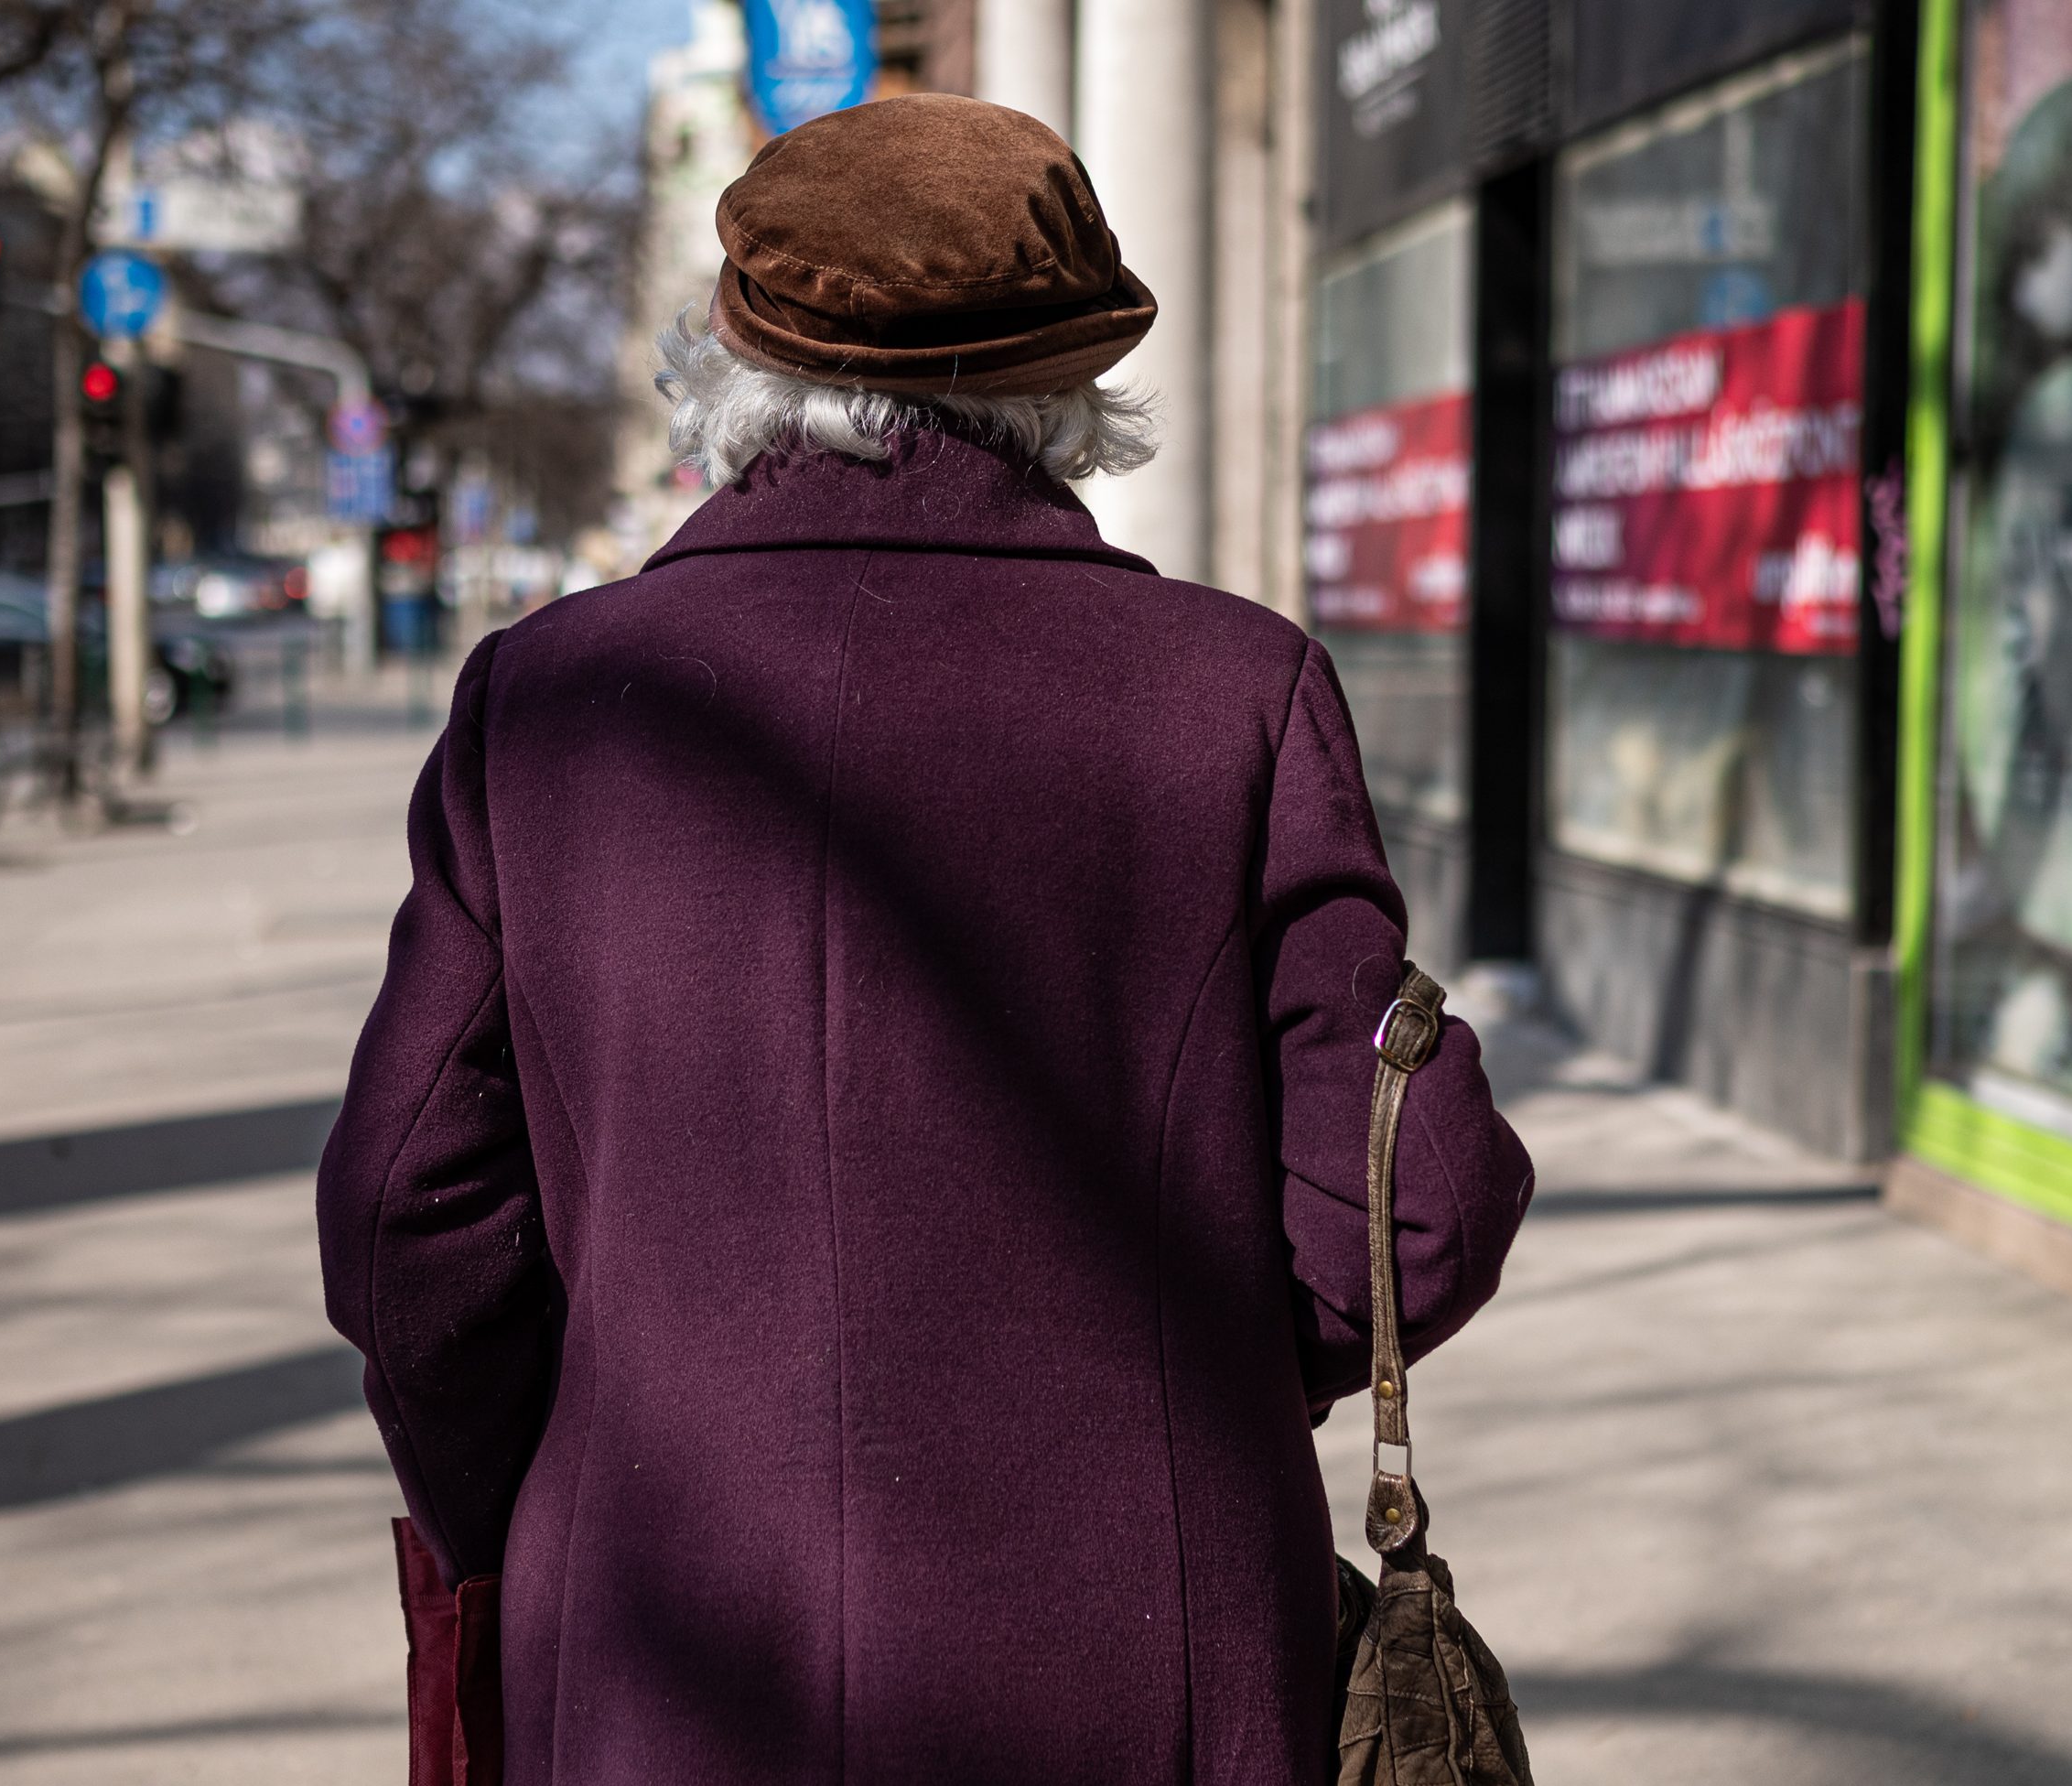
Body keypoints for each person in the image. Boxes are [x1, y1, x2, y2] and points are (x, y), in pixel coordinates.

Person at [318, 94, 1534, 1786]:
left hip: (663, 1669)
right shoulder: (1234, 694)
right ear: (1071, 391)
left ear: (727, 366)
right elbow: (1417, 1203)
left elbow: (402, 1231)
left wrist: (553, 1486)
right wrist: (1191, 1401)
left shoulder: (550, 707)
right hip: (1146, 1671)